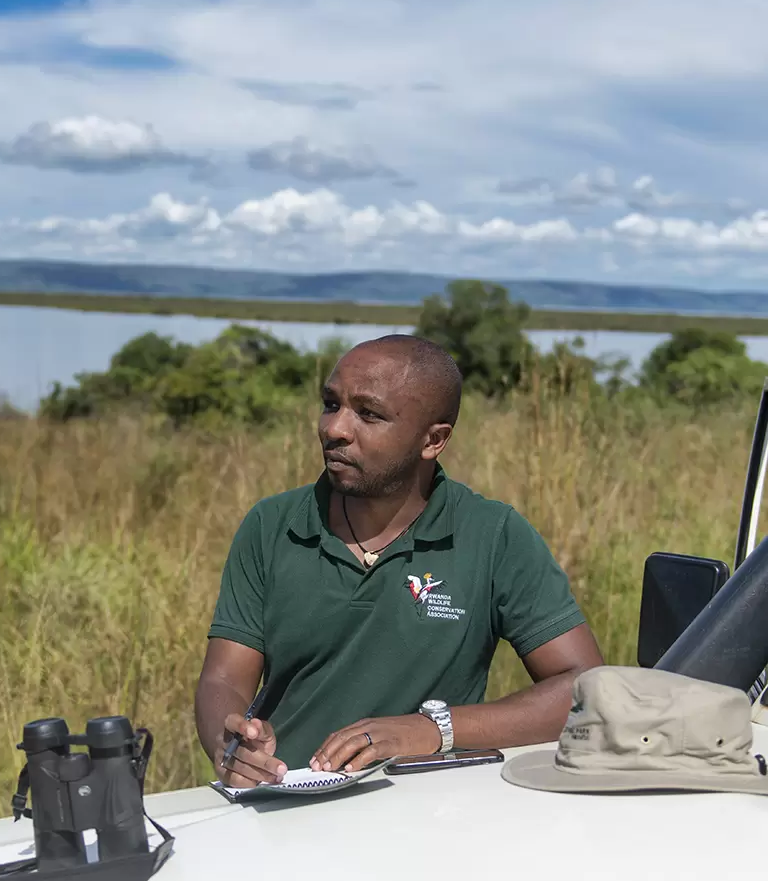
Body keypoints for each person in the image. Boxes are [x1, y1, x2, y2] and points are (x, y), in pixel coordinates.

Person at [194, 334, 604, 787]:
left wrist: (434, 729)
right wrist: (229, 741)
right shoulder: (273, 525)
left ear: (434, 440)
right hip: (284, 804)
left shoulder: (492, 536)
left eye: (368, 414)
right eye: (331, 404)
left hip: (430, 812)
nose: (334, 429)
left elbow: (585, 688)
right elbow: (223, 679)